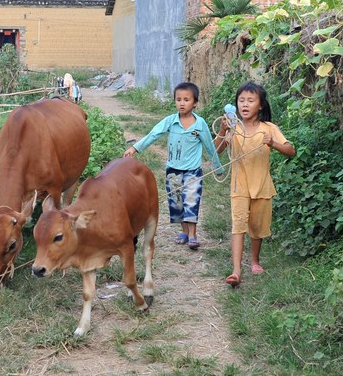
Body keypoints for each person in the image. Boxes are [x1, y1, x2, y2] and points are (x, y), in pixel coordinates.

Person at [124, 82, 223, 250]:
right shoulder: (170, 121)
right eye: (178, 99)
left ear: (195, 103)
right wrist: (135, 148)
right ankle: (184, 232)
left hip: (193, 171)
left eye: (186, 99)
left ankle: (192, 235)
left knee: (191, 201)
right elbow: (153, 134)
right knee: (176, 204)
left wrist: (217, 167)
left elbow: (209, 146)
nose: (182, 103)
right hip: (173, 171)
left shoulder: (200, 124)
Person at [214, 82, 295, 287]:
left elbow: (290, 151)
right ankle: (236, 270)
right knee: (238, 225)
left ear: (260, 105)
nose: (245, 104)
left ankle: (255, 260)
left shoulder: (269, 129)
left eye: (250, 100)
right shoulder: (233, 127)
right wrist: (223, 131)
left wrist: (273, 143)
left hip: (261, 185)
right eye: (241, 100)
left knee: (257, 227)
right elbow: (217, 152)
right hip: (239, 186)